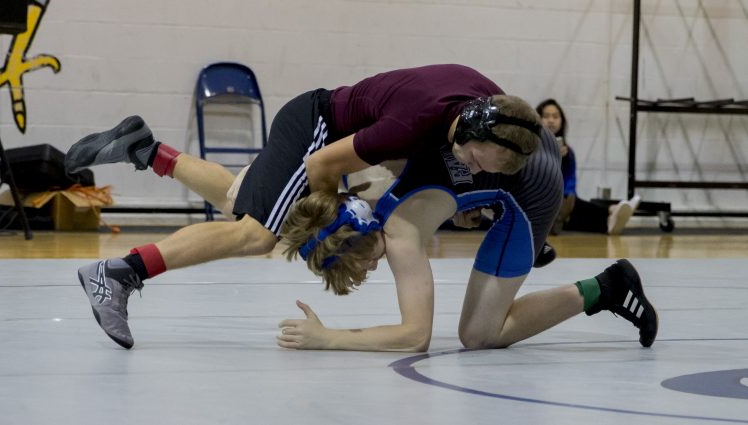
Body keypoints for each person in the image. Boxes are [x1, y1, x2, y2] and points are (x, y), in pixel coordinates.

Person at [65, 64, 542, 349]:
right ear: (474, 130)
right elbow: (321, 164)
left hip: (333, 130)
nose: (480, 169)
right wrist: (333, 216)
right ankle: (121, 272)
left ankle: (145, 150)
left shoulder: (488, 110)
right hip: (320, 131)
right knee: (259, 234)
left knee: (243, 203)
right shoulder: (416, 122)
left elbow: (444, 163)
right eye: (480, 159)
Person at [276, 107, 658, 352]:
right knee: (470, 201)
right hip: (521, 137)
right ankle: (526, 250)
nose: (371, 271)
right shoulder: (379, 181)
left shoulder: (400, 235)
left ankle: (608, 287)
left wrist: (330, 339)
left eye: (360, 267)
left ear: (356, 241)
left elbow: (415, 337)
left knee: (478, 335)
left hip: (533, 189)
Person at [535, 99, 641, 235]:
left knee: (573, 207)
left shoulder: (568, 153)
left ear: (562, 121)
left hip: (563, 200)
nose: (551, 120)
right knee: (575, 208)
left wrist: (568, 197)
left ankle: (609, 221)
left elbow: (570, 182)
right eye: (546, 116)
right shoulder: (533, 149)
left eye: (555, 116)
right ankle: (611, 211)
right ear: (539, 118)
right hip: (544, 200)